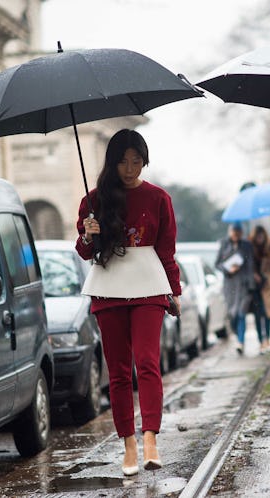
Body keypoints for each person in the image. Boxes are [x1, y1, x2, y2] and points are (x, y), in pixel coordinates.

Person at [75, 129, 181, 476]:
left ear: (145, 160)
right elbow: (86, 252)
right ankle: (129, 444)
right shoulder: (94, 201)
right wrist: (88, 234)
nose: (130, 167)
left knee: (147, 362)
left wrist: (174, 292)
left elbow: (166, 250)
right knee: (118, 372)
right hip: (109, 287)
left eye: (136, 160)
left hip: (149, 286)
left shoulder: (159, 198)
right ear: (112, 161)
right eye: (123, 160)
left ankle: (150, 437)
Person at [215, 223, 254, 355]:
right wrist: (228, 269)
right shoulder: (224, 244)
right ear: (230, 231)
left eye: (238, 231)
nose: (236, 234)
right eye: (234, 231)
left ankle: (240, 342)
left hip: (243, 285)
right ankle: (238, 335)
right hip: (230, 285)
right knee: (232, 315)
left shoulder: (246, 245)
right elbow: (217, 264)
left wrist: (251, 284)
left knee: (241, 313)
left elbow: (250, 265)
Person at [249, 225, 270, 354]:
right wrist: (254, 274)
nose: (260, 238)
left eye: (262, 236)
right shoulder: (250, 247)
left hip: (267, 283)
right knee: (257, 313)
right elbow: (248, 263)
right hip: (255, 285)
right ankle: (261, 340)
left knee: (268, 312)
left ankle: (267, 338)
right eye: (258, 236)